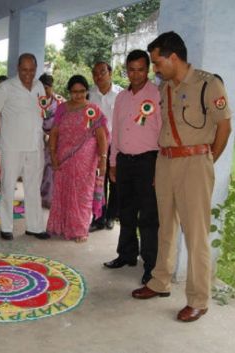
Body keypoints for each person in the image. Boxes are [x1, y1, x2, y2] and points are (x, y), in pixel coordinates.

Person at [131, 31, 232, 323]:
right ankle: (159, 281)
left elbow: (224, 128)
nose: (154, 69)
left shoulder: (208, 84)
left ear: (173, 57)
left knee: (196, 233)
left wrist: (206, 159)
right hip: (166, 162)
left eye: (156, 62)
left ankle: (199, 299)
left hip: (194, 163)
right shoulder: (165, 88)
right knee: (165, 226)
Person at [103, 50, 162, 285]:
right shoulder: (121, 97)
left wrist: (160, 169)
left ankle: (150, 266)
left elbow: (163, 132)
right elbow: (115, 132)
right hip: (124, 162)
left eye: (140, 69)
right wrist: (113, 163)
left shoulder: (157, 95)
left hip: (149, 162)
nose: (135, 74)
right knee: (125, 213)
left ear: (147, 69)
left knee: (148, 218)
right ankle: (126, 255)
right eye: (131, 69)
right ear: (125, 70)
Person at [0, 53, 49, 241]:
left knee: (33, 187)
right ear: (18, 68)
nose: (28, 74)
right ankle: (6, 227)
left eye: (31, 70)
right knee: (8, 186)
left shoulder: (39, 86)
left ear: (36, 69)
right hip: (12, 146)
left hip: (35, 145)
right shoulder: (6, 87)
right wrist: (4, 133)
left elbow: (42, 110)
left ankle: (35, 227)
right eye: (24, 70)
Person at [46, 75, 109, 243]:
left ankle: (80, 229)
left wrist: (103, 158)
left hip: (85, 161)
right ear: (69, 92)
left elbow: (101, 135)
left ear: (87, 91)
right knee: (62, 192)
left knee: (82, 195)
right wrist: (52, 155)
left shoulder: (92, 109)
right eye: (74, 92)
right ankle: (61, 226)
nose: (79, 95)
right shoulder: (62, 108)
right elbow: (54, 132)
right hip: (64, 158)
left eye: (82, 92)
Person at [89, 61, 122, 231]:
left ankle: (111, 216)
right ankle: (98, 216)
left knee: (114, 180)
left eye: (102, 72)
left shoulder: (121, 94)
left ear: (110, 73)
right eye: (95, 73)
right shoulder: (89, 94)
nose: (99, 76)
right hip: (95, 145)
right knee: (98, 182)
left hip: (115, 144)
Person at [38, 73, 65, 209]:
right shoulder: (36, 101)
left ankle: (51, 198)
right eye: (41, 88)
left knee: (51, 168)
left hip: (56, 139)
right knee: (39, 167)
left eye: (46, 88)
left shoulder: (60, 102)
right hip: (38, 138)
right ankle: (40, 196)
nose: (44, 91)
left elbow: (65, 121)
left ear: (51, 87)